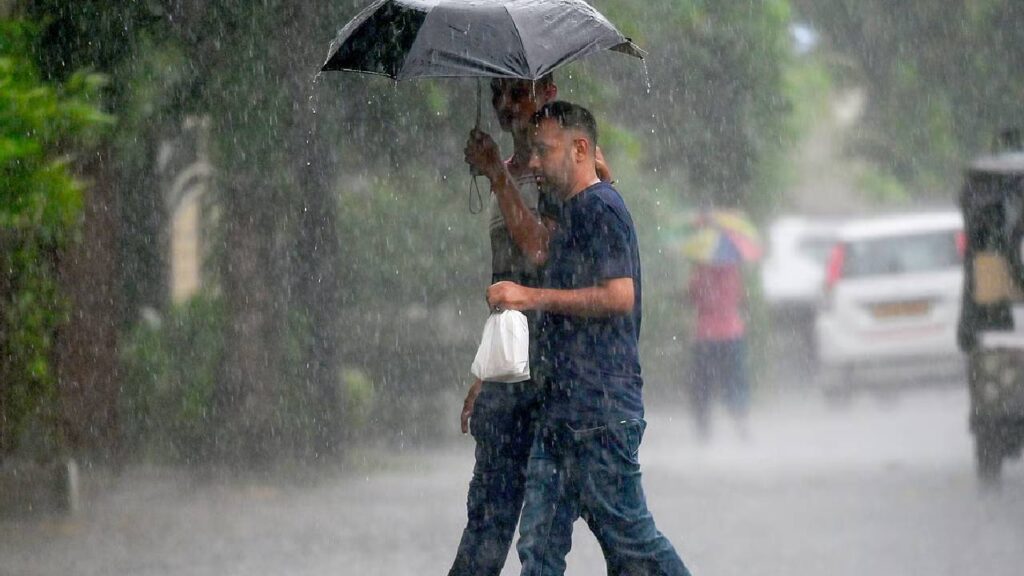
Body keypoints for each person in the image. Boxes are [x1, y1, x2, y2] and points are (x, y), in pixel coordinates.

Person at [486, 101, 691, 576]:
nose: (533, 161)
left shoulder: (602, 208)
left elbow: (619, 296)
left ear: (580, 148)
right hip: (561, 412)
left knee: (632, 547)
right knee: (538, 546)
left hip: (599, 414)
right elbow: (544, 248)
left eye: (544, 150)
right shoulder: (579, 209)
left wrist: (530, 296)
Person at [687, 259, 750, 441]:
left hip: (705, 335)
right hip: (732, 333)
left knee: (702, 385)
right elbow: (740, 297)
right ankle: (741, 426)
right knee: (734, 381)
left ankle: (703, 431)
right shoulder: (733, 269)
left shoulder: (700, 271)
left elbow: (693, 297)